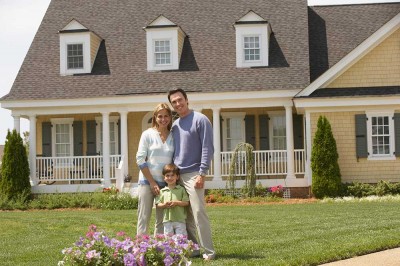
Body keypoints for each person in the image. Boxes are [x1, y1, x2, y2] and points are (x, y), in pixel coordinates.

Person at [167, 88, 216, 260]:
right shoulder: (175, 125)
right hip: (178, 175)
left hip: (194, 173)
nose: (178, 104)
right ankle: (194, 249)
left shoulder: (200, 120)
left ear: (187, 100)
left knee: (198, 212)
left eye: (180, 100)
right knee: (184, 215)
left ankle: (209, 251)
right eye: (174, 102)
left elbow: (207, 148)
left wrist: (202, 173)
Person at [136, 103, 174, 236]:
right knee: (144, 217)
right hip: (147, 182)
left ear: (170, 117)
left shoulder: (173, 136)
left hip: (165, 184)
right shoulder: (147, 134)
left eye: (166, 116)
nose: (163, 119)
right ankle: (141, 249)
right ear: (155, 118)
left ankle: (159, 249)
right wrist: (152, 182)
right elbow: (140, 159)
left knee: (162, 220)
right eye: (160, 116)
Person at [156, 164, 190, 236]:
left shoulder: (181, 189)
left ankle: (181, 247)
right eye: (167, 175)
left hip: (180, 219)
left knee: (181, 238)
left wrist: (176, 203)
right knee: (168, 239)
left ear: (177, 177)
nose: (170, 177)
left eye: (172, 175)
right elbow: (158, 204)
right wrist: (164, 205)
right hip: (167, 220)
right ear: (164, 178)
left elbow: (186, 202)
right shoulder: (162, 191)